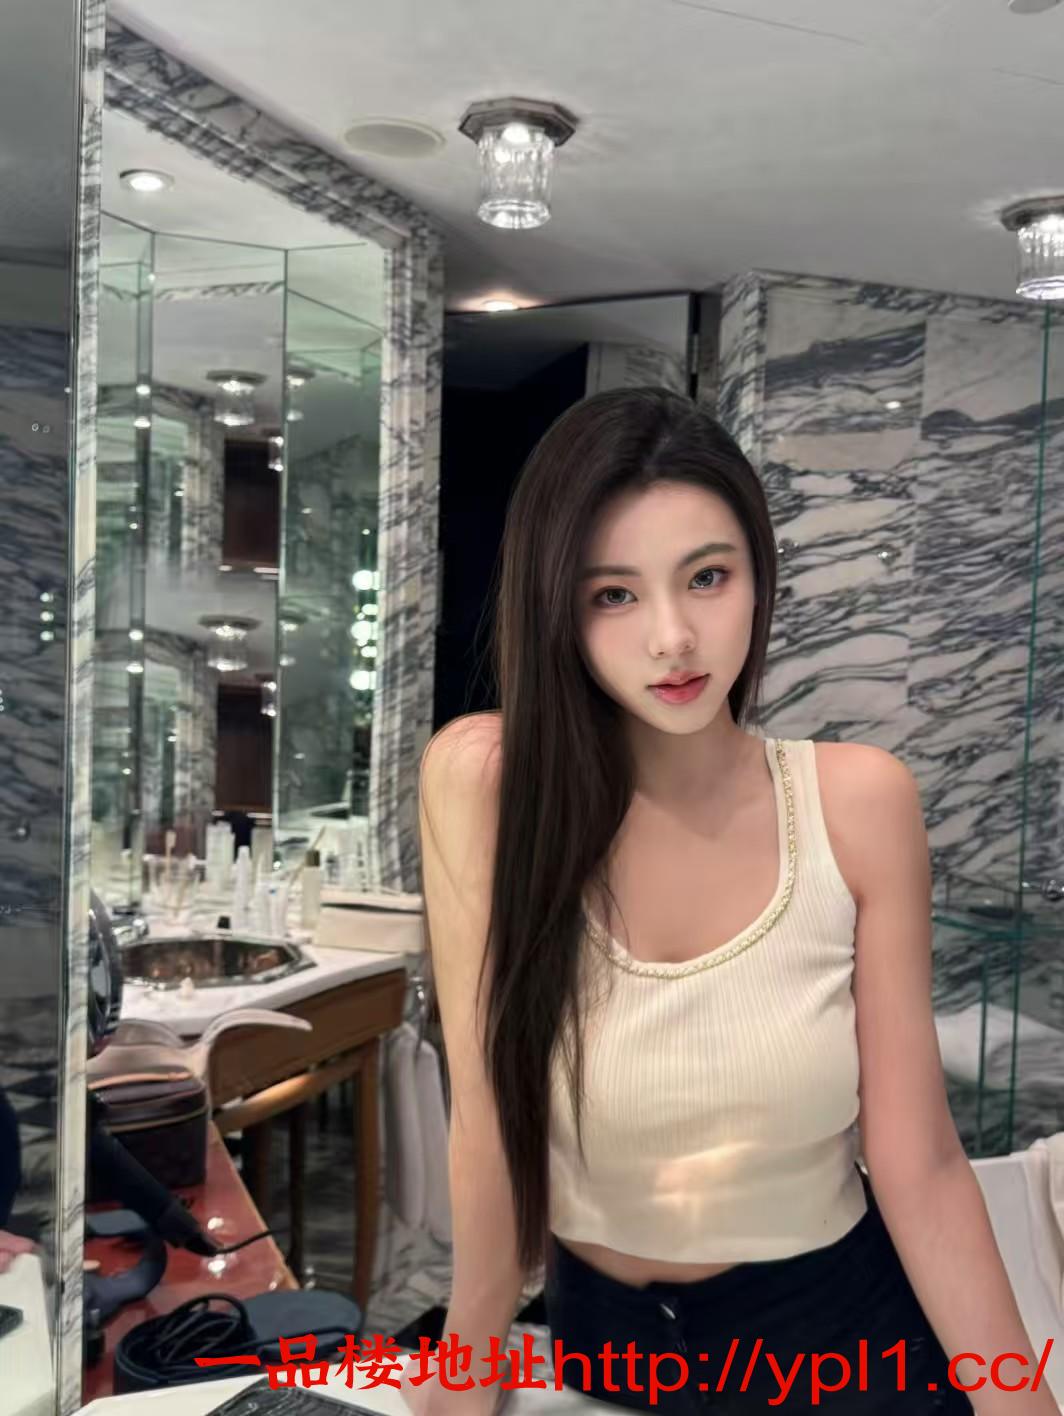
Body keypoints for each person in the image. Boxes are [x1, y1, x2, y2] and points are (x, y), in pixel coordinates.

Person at [409, 388, 1052, 1414]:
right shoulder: (485, 784)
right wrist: (467, 1369)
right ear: (555, 606)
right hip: (608, 1350)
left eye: (707, 577)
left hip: (838, 1345)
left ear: (758, 577)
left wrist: (1020, 1403)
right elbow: (487, 1116)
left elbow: (918, 1161)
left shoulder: (856, 804)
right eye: (612, 594)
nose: (673, 637)